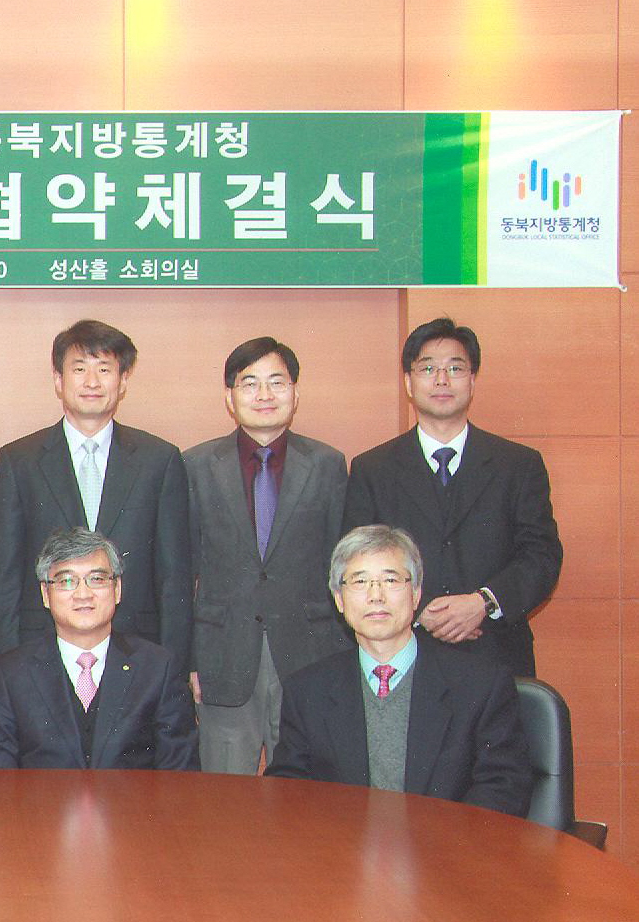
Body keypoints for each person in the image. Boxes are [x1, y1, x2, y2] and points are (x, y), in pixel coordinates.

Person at [343, 318, 563, 677]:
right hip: (404, 651)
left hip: (496, 653)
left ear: (472, 381)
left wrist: (484, 602)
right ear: (409, 383)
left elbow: (542, 556)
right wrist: (419, 609)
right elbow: (356, 560)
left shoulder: (518, 464)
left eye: (455, 368)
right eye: (428, 368)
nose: (442, 379)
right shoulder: (373, 468)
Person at [265, 525, 532, 816]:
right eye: (360, 581)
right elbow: (289, 790)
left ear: (416, 594)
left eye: (390, 580)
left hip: (446, 842)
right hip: (341, 843)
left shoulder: (481, 685)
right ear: (339, 599)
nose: (376, 596)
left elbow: (503, 788)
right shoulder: (307, 691)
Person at [182, 337, 349, 774]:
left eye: (276, 382)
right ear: (229, 397)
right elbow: (181, 572)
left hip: (309, 652)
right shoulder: (195, 465)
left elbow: (342, 568)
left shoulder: (328, 464)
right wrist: (189, 660)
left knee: (305, 792)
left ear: (295, 393)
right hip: (223, 655)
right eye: (249, 383)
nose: (264, 394)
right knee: (224, 796)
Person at [0, 319, 191, 667]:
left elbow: (174, 580)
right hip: (41, 649)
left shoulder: (159, 459)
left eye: (104, 369)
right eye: (79, 369)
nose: (92, 382)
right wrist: (5, 669)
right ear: (58, 380)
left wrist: (174, 668)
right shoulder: (19, 460)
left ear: (122, 381)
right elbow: (3, 578)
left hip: (137, 650)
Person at [0, 529, 198, 770]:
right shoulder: (11, 674)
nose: (83, 594)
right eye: (67, 581)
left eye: (97, 579)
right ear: (45, 594)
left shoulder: (157, 668)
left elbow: (180, 774)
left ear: (117, 589)